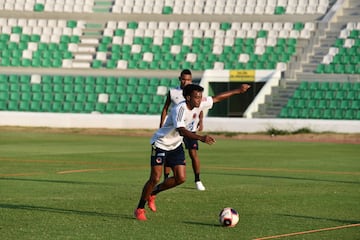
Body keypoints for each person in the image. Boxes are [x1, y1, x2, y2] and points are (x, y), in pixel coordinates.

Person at [134, 83, 251, 221]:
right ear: (188, 97)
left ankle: (153, 193)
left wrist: (238, 90)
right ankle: (140, 208)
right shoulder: (180, 109)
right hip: (161, 143)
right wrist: (201, 137)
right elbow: (181, 130)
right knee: (155, 178)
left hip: (176, 144)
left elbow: (217, 98)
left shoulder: (199, 103)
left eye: (201, 97)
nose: (200, 100)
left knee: (181, 178)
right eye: (197, 97)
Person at [160, 69, 206, 191]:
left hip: (190, 128)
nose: (186, 82)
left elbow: (199, 108)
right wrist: (162, 123)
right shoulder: (173, 92)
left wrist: (201, 121)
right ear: (180, 79)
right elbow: (166, 108)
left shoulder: (194, 92)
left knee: (193, 153)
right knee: (169, 152)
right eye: (184, 79)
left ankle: (197, 180)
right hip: (176, 129)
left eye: (189, 79)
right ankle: (166, 178)